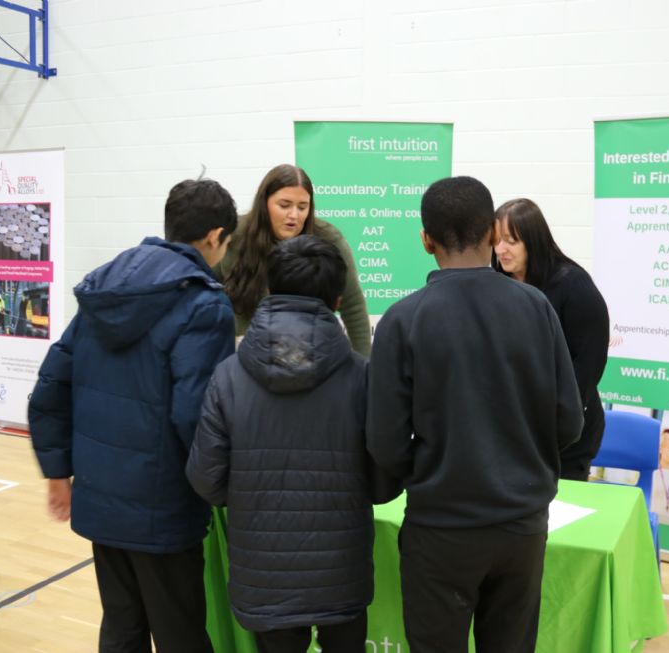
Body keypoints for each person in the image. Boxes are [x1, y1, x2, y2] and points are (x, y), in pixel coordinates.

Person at [367, 176, 583, 653]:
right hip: (522, 527)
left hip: (440, 528)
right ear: (491, 232)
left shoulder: (402, 321)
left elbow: (384, 441)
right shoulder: (537, 308)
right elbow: (569, 422)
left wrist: (429, 474)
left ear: (425, 240)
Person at [28, 178, 238, 653]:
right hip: (164, 510)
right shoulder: (205, 304)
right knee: (180, 632)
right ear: (214, 237)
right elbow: (195, 416)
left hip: (102, 500)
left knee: (121, 628)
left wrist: (57, 471)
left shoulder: (105, 291)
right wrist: (224, 485)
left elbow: (50, 386)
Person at [187, 235, 399, 653]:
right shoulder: (364, 378)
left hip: (263, 575)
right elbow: (384, 484)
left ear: (271, 289)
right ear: (338, 300)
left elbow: (207, 482)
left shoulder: (228, 377)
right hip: (342, 573)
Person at [493, 198, 610, 481]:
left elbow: (590, 362)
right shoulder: (498, 281)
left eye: (510, 241)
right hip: (517, 426)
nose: (500, 250)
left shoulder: (572, 284)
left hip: (566, 430)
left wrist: (560, 419)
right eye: (496, 241)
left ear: (532, 241)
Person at [216, 164, 371, 356]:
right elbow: (207, 294)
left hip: (309, 356)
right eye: (284, 205)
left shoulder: (329, 240)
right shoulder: (234, 235)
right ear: (265, 203)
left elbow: (353, 305)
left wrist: (366, 368)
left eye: (302, 207)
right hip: (245, 357)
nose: (294, 215)